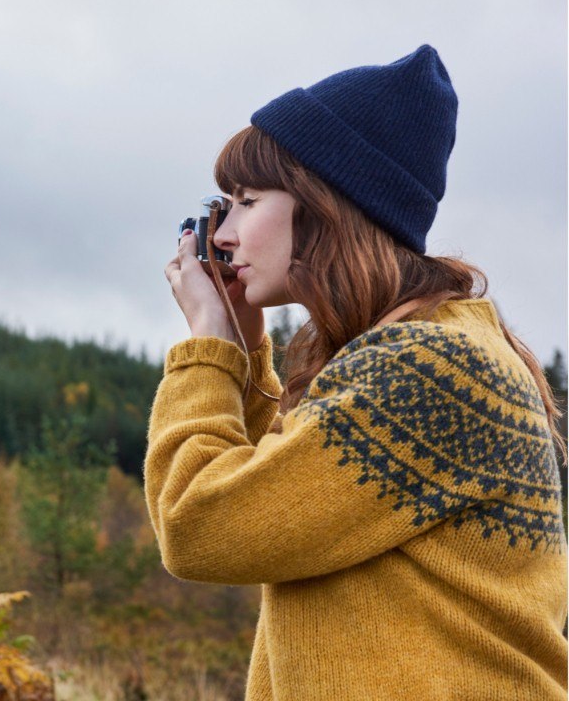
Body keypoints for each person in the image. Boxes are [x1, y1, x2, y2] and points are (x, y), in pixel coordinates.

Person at [148, 44, 568, 698]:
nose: (221, 234)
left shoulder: (425, 371)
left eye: (246, 201)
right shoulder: (411, 353)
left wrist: (208, 346)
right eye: (219, 206)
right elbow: (279, 503)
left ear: (325, 206)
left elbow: (202, 526)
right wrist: (243, 344)